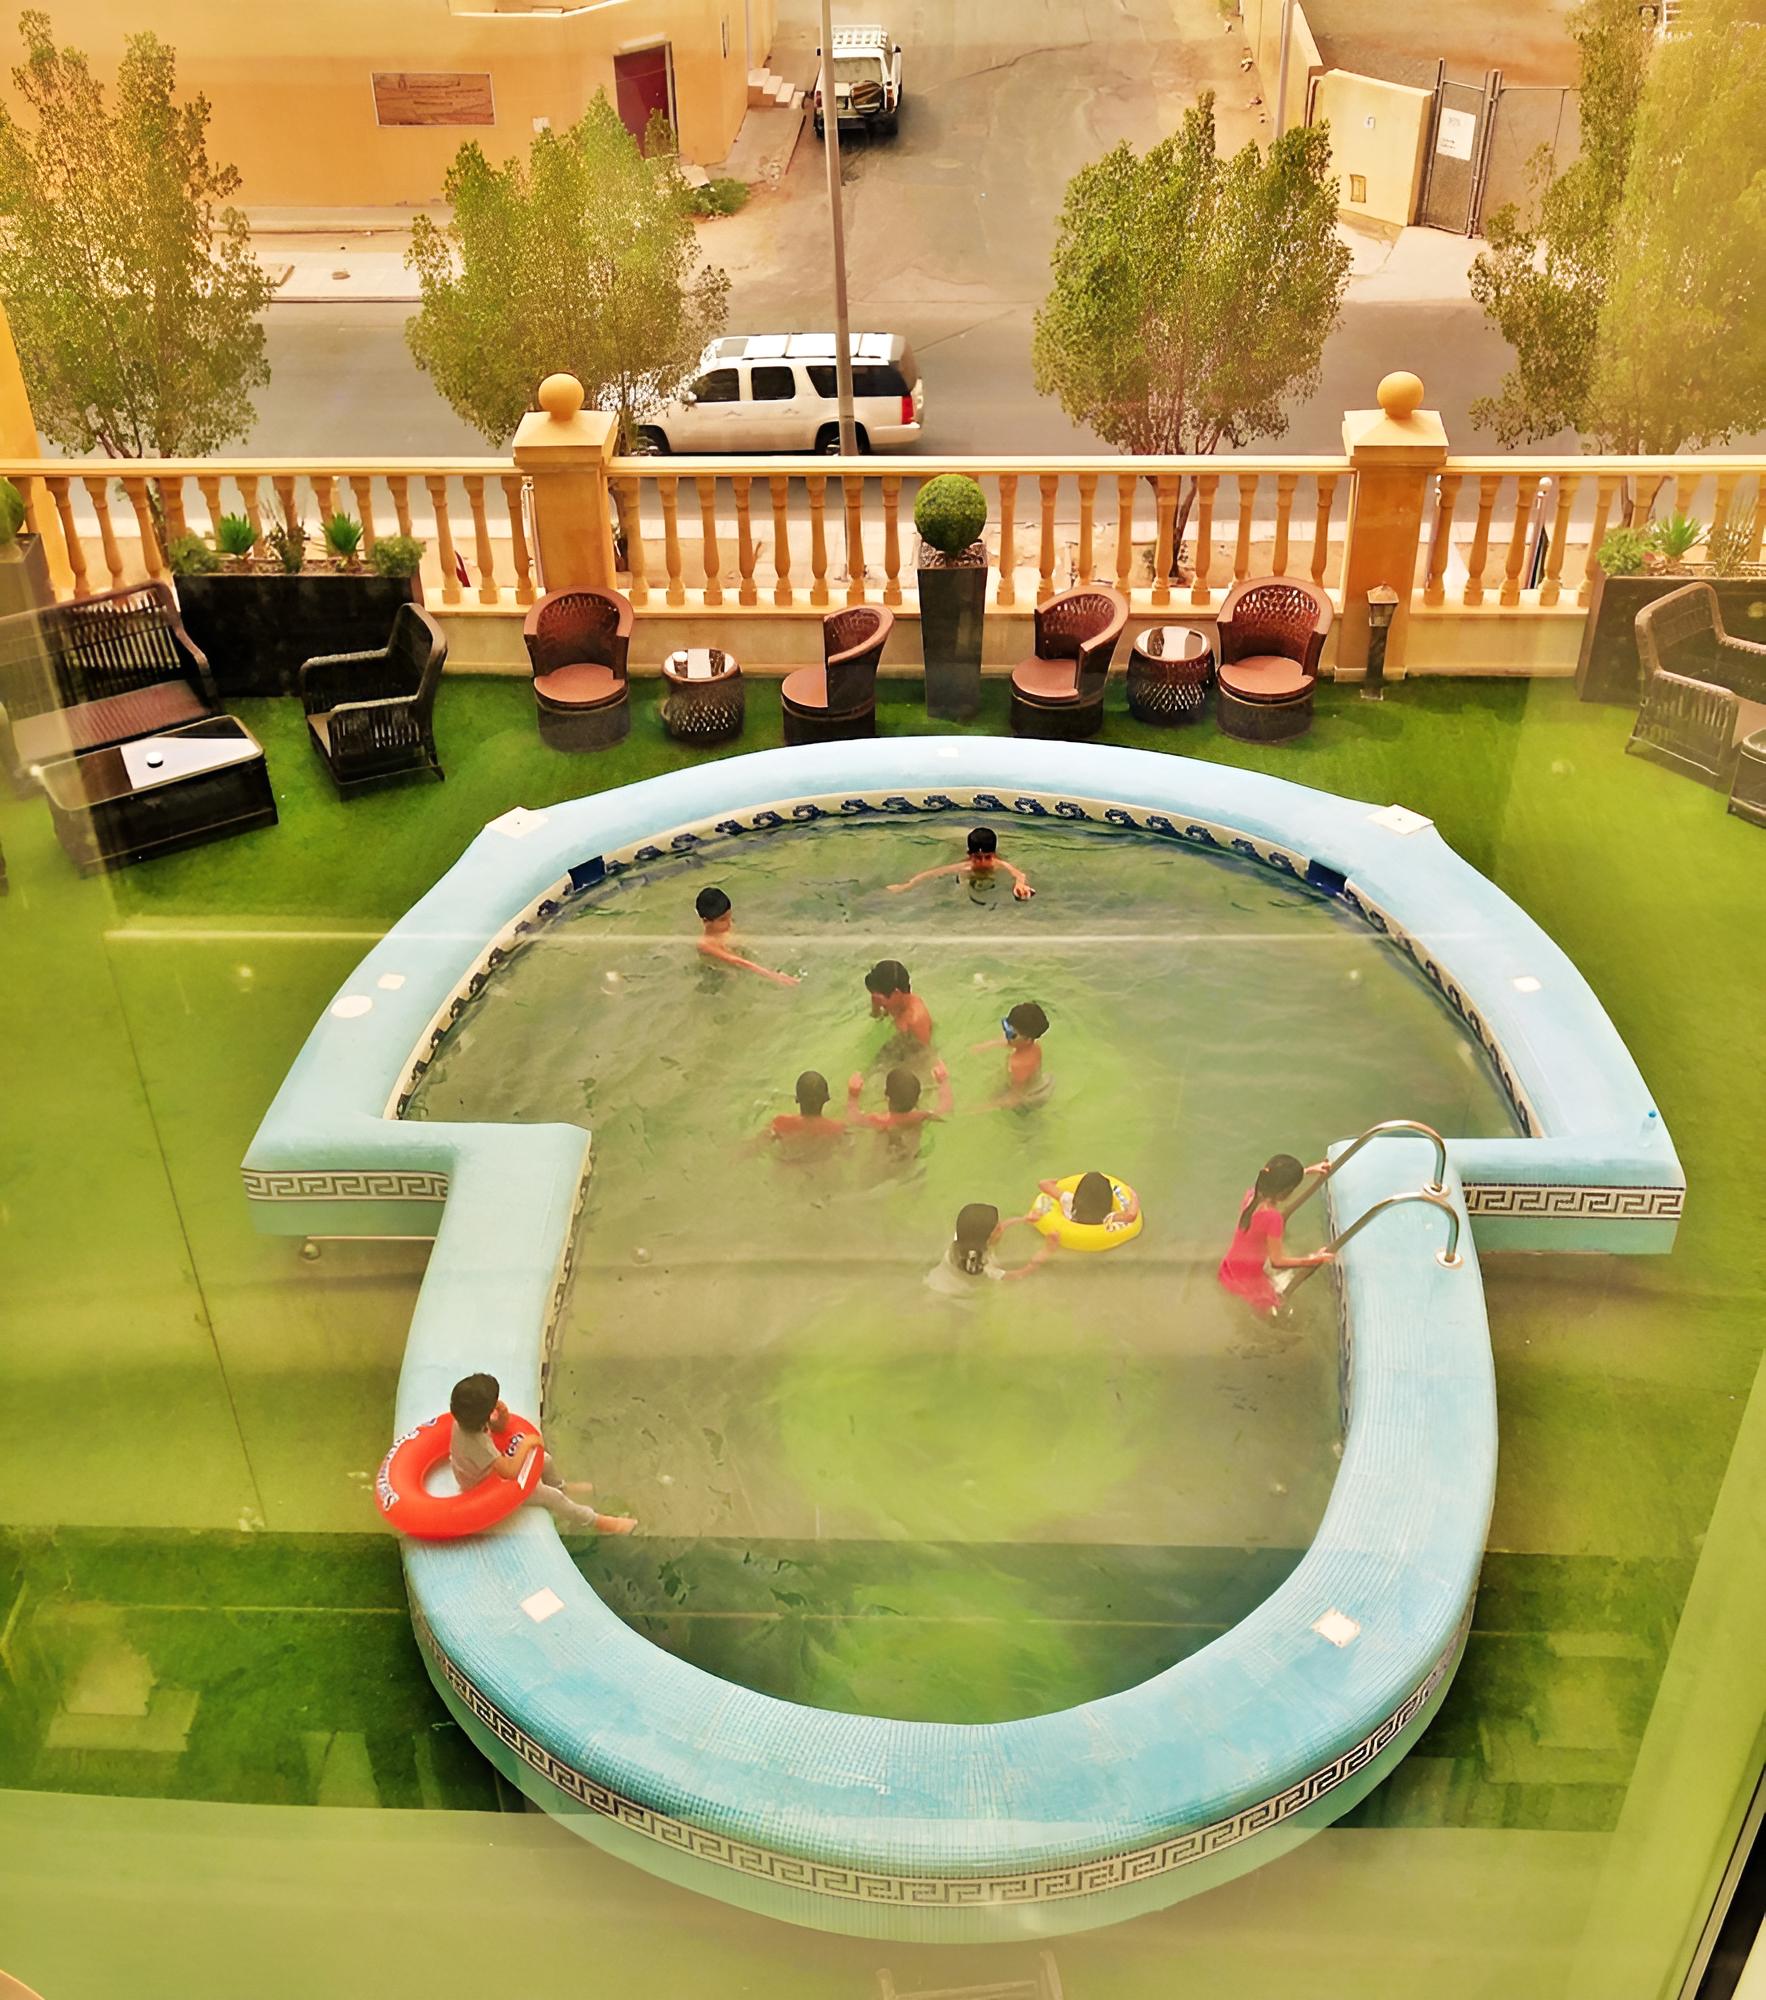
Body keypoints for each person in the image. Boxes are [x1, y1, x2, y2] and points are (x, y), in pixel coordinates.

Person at [447, 1373, 635, 1535]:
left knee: (545, 1459)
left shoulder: (466, 1423)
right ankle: (600, 1522)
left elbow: (499, 1429)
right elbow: (510, 1471)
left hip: (482, 1467)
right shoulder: (479, 1443)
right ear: (484, 1413)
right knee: (552, 1497)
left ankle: (562, 1487)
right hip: (483, 1485)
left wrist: (502, 1416)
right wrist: (526, 1445)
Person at [1217, 1154, 1332, 1316]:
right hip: (1250, 1279)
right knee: (1280, 1316)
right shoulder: (1273, 1218)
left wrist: (1308, 1171)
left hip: (1230, 1268)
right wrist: (1312, 1259)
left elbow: (1276, 1181)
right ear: (1285, 1193)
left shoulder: (1251, 1195)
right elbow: (1277, 1261)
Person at [925, 1201, 1044, 1294]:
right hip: (950, 1292)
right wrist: (1046, 1252)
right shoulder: (983, 1266)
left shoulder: (963, 1237)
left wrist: (1024, 1219)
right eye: (998, 1229)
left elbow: (1000, 1227)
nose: (1002, 1228)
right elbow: (1016, 1275)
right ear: (987, 1239)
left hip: (935, 1279)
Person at [888, 826, 1035, 901]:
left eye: (987, 857)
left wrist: (1020, 885)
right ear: (969, 855)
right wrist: (907, 886)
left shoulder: (998, 864)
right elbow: (932, 873)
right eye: (977, 858)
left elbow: (1019, 874)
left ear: (994, 854)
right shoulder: (965, 866)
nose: (982, 862)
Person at [695, 886, 798, 986]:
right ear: (706, 921)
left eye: (729, 916)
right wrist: (772, 975)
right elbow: (736, 960)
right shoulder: (705, 944)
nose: (729, 922)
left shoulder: (726, 930)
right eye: (723, 919)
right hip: (716, 977)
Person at [847, 1061, 953, 1153]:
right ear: (918, 1097)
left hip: (886, 1157)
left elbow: (854, 1119)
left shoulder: (881, 1121)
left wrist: (853, 1094)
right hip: (911, 1156)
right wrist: (944, 1081)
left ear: (886, 1094)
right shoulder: (921, 1116)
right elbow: (945, 1108)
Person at [971, 1001, 1051, 1107]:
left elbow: (1014, 1099)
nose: (1005, 1035)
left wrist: (976, 1109)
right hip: (1033, 1084)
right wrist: (985, 1046)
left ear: (1027, 1039)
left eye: (1010, 1034)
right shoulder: (1032, 1046)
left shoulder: (1019, 1064)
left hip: (1027, 1099)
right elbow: (1009, 1041)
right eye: (1006, 1028)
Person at [757, 1070, 849, 1154]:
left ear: (797, 1099)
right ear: (826, 1098)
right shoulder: (837, 1129)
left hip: (787, 1164)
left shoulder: (780, 1123)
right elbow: (848, 1153)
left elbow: (755, 1146)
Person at [864, 959, 934, 1050]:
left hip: (918, 1045)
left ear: (896, 993)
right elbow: (876, 1015)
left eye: (880, 998)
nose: (877, 1000)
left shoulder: (914, 1021)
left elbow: (926, 1053)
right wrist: (876, 1012)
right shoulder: (889, 998)